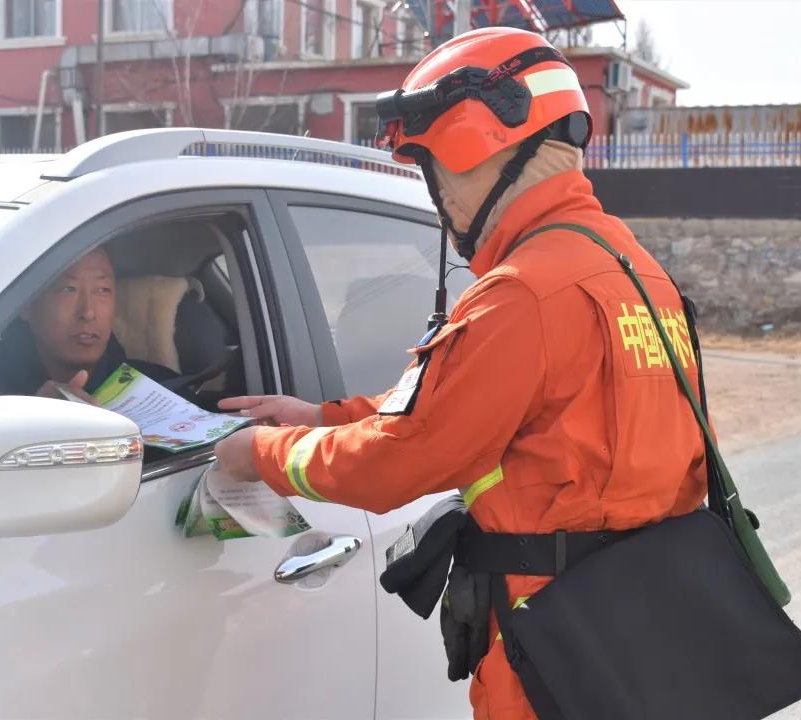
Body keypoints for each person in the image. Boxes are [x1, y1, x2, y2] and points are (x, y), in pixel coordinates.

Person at [212, 27, 707, 720]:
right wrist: (323, 417)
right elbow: (465, 402)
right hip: (641, 627)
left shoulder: (523, 294)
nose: (439, 202)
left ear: (477, 155)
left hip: (554, 650)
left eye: (433, 171)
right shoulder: (633, 270)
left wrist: (260, 452)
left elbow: (399, 461)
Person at [0, 247, 177, 410]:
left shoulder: (158, 392)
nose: (88, 312)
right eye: (68, 289)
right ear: (27, 306)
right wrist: (33, 423)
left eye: (103, 290)